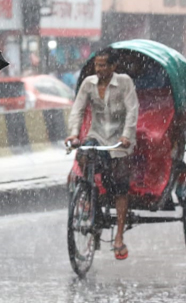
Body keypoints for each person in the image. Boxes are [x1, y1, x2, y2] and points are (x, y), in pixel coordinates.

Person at [65, 47, 139, 260]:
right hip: (97, 136)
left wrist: (126, 136)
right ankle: (89, 200)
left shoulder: (124, 82)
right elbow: (77, 110)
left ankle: (118, 237)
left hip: (119, 140)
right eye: (97, 65)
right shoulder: (88, 84)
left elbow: (132, 110)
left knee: (119, 187)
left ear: (113, 66)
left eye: (104, 65)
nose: (99, 69)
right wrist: (73, 134)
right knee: (84, 157)